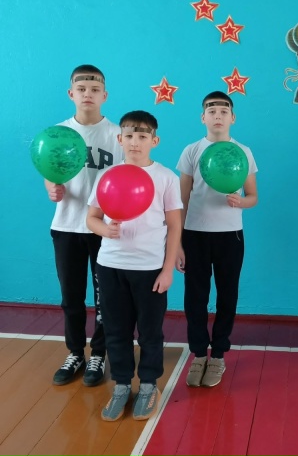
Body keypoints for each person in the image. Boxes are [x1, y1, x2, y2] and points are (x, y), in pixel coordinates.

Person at [86, 111, 182, 421]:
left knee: (150, 331)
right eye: (129, 136)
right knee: (116, 330)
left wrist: (167, 270)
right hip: (110, 266)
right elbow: (91, 219)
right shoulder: (107, 176)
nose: (135, 142)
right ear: (120, 139)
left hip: (150, 269)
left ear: (155, 141)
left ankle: (149, 385)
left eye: (142, 136)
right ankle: (122, 385)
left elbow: (175, 226)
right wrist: (105, 230)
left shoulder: (166, 177)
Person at [45, 64, 123, 387]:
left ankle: (98, 354)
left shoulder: (117, 135)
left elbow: (125, 178)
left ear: (105, 95)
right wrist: (51, 187)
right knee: (71, 296)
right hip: (66, 226)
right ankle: (75, 352)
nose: (87, 94)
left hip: (103, 230)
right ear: (71, 94)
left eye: (94, 89)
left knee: (105, 299)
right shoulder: (58, 133)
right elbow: (49, 169)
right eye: (81, 89)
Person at [176, 91, 258, 388]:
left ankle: (219, 355)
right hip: (195, 235)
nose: (218, 115)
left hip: (230, 237)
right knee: (195, 298)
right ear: (203, 117)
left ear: (232, 117)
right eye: (211, 111)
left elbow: (253, 196)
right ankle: (199, 354)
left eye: (224, 111)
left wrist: (241, 202)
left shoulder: (243, 152)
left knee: (227, 296)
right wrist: (177, 243)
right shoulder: (192, 151)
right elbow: (181, 200)